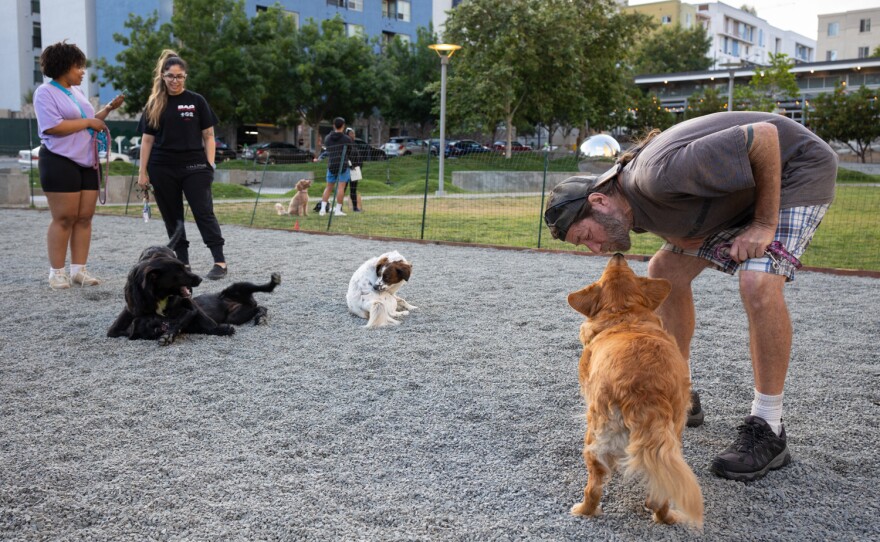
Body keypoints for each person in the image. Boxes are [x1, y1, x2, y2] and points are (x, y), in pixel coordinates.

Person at [544, 111, 837, 482]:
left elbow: (763, 138)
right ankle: (679, 389)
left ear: (599, 200)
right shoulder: (629, 208)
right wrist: (687, 231)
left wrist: (763, 225)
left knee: (757, 283)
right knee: (664, 269)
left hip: (795, 170)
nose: (595, 250)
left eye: (586, 237)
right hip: (741, 195)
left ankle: (768, 424)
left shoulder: (656, 178)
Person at [33, 41, 125, 289]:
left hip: (87, 160)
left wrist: (107, 109)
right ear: (63, 67)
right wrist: (88, 124)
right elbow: (52, 127)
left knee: (85, 217)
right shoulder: (45, 92)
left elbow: (89, 121)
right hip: (59, 159)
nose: (82, 71)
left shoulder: (77, 92)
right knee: (64, 217)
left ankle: (79, 270)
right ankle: (56, 272)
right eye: (78, 67)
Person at [137, 50, 228, 280]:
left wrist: (210, 165)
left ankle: (219, 261)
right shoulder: (154, 104)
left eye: (179, 76)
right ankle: (183, 263)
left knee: (203, 212)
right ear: (163, 77)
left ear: (185, 76)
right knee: (173, 217)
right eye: (170, 76)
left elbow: (208, 136)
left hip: (194, 166)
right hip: (162, 167)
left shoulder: (196, 101)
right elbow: (147, 140)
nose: (175, 81)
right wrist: (142, 173)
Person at [318, 117, 352, 216]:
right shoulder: (347, 139)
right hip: (343, 164)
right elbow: (349, 151)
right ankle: (338, 210)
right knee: (341, 188)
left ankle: (323, 210)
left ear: (333, 125)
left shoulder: (327, 138)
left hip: (331, 164)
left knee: (328, 188)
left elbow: (327, 150)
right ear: (343, 126)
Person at [344, 127, 363, 212]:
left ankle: (355, 207)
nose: (353, 135)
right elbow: (346, 156)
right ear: (347, 134)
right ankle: (339, 207)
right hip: (348, 169)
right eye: (352, 133)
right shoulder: (346, 144)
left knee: (353, 189)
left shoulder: (354, 144)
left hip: (356, 169)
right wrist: (350, 165)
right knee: (343, 188)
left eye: (354, 133)